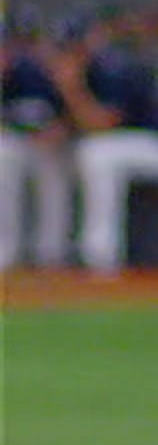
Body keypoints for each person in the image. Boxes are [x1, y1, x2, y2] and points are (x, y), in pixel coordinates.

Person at [51, 13, 158, 275]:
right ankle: (49, 253)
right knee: (62, 156)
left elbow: (102, 124)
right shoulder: (67, 71)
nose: (72, 53)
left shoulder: (114, 67)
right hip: (128, 148)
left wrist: (71, 88)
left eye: (76, 45)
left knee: (96, 154)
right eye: (66, 47)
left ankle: (99, 258)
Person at [0, 16, 75, 272]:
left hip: (54, 145)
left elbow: (72, 117)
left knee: (51, 166)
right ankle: (5, 251)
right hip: (15, 143)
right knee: (3, 156)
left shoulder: (41, 74)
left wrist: (60, 129)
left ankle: (51, 254)